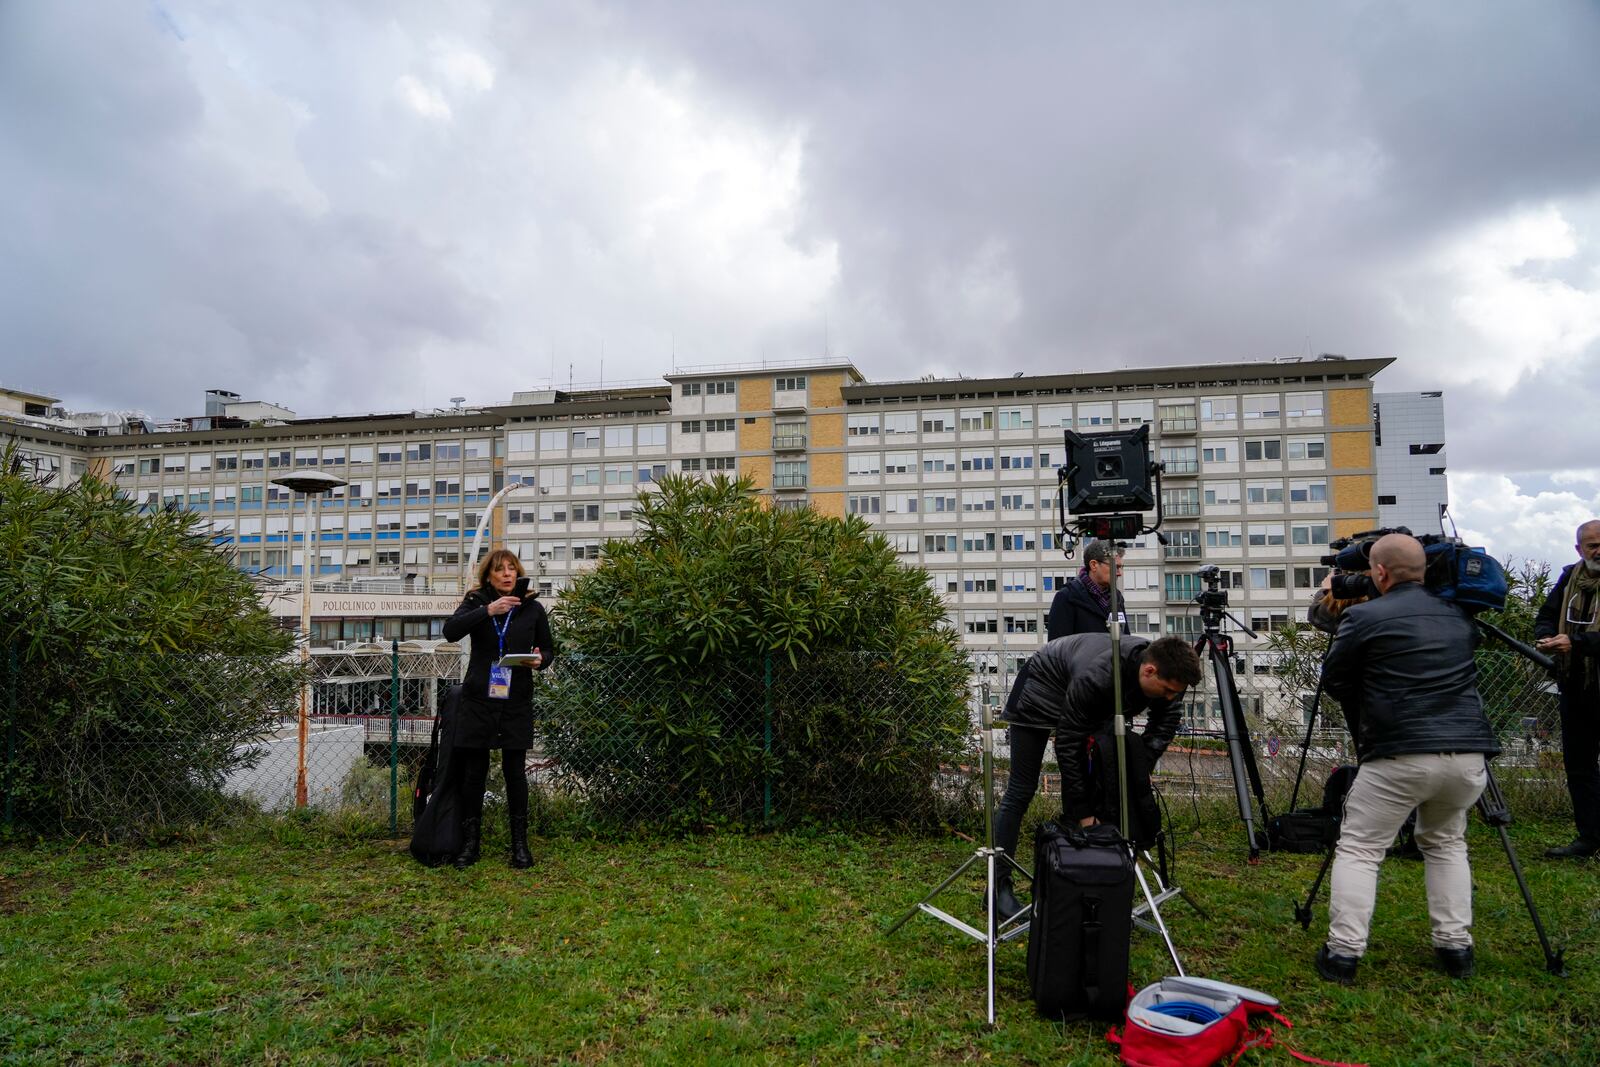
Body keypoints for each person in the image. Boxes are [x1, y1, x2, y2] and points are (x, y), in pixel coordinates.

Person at [1314, 534, 1499, 983]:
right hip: (1467, 755)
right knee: (1446, 844)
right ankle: (1456, 948)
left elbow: (1335, 679)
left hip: (1398, 753)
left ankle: (1343, 954)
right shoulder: (1460, 617)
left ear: (1377, 573)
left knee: (1360, 848)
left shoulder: (1362, 615)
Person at [990, 633, 1202, 918]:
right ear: (1149, 671)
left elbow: (1165, 722)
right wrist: (1084, 812)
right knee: (1021, 790)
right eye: (1166, 691)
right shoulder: (1098, 677)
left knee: (1103, 776)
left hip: (1083, 699)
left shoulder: (1164, 669)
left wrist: (1138, 768)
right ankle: (998, 889)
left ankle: (1086, 872)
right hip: (1040, 690)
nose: (1169, 698)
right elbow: (1068, 745)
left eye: (1175, 693)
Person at [442, 548, 555, 870]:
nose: (507, 574)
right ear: (488, 575)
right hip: (479, 698)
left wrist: (540, 660)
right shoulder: (477, 601)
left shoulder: (532, 608)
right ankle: (470, 844)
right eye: (499, 570)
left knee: (514, 772)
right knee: (474, 773)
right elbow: (451, 632)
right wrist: (489, 611)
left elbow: (548, 650)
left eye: (511, 569)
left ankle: (520, 845)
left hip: (516, 697)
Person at [1533, 519, 1600, 859]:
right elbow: (1545, 615)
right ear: (1579, 550)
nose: (1599, 550)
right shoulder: (1569, 578)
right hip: (1576, 685)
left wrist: (1574, 642)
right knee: (1580, 765)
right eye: (1592, 545)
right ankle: (1588, 838)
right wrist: (1546, 637)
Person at [1046, 540, 1125, 640]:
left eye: (1121, 567)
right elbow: (1056, 649)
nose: (1120, 573)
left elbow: (1126, 641)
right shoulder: (1067, 597)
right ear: (1094, 565)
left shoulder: (1117, 597)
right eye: (1116, 567)